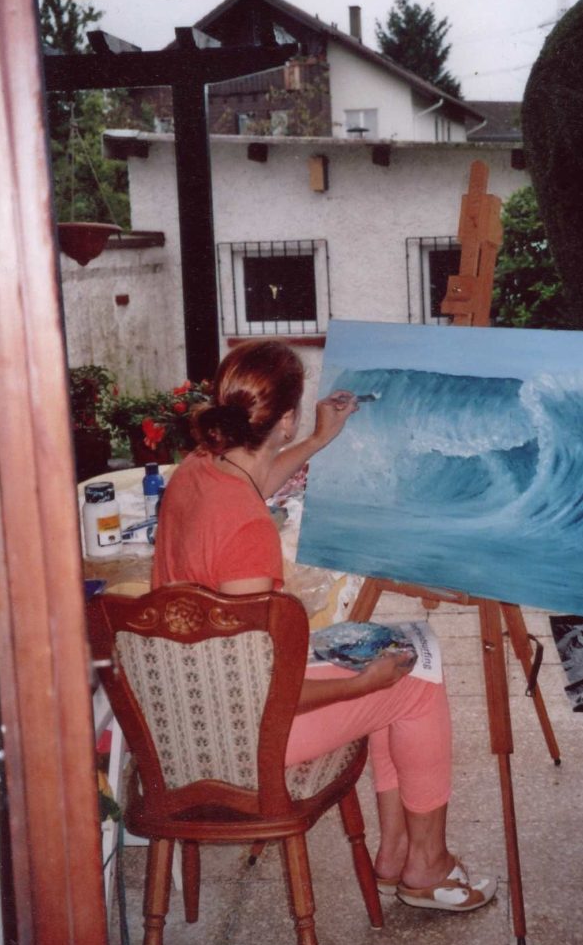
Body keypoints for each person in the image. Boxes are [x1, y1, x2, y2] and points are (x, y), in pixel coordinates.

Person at [152, 339, 496, 912]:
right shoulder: (248, 532)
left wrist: (317, 439)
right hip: (241, 737)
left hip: (187, 710)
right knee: (415, 684)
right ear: (284, 419)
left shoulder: (196, 472)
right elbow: (264, 689)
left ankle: (396, 855)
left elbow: (252, 484)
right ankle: (426, 864)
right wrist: (361, 684)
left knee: (397, 653)